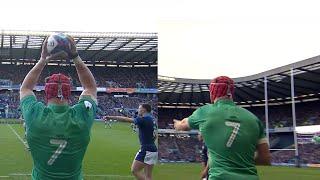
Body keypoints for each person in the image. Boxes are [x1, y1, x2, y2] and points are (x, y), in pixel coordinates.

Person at [20, 35, 97, 180]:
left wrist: (42, 60)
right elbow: (90, 88)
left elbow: (25, 89)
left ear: (46, 93)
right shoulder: (82, 116)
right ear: (70, 94)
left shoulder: (35, 114)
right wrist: (75, 56)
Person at [173, 76, 271, 180]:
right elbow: (265, 158)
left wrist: (177, 124)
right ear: (232, 93)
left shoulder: (205, 112)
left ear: (212, 93)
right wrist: (240, 161)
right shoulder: (254, 119)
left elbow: (183, 125)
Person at [105, 104, 157, 180]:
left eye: (139, 108)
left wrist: (110, 117)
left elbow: (126, 119)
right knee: (148, 176)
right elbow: (154, 136)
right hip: (153, 149)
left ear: (144, 110)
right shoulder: (151, 119)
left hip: (146, 150)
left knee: (134, 170)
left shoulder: (143, 119)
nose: (138, 110)